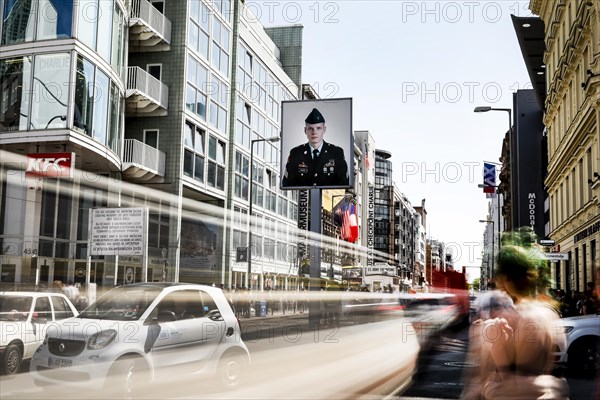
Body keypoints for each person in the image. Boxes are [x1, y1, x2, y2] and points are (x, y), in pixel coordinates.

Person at [461, 229, 570, 400]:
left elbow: (504, 377)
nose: (497, 280)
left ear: (507, 279)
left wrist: (492, 344)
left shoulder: (519, 319)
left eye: (500, 275)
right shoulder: (549, 313)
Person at [282, 108, 349, 187]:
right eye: (310, 128)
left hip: (329, 198)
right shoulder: (296, 153)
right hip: (304, 198)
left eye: (318, 128)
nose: (314, 132)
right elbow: (287, 183)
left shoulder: (336, 153)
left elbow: (344, 184)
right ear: (305, 130)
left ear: (324, 130)